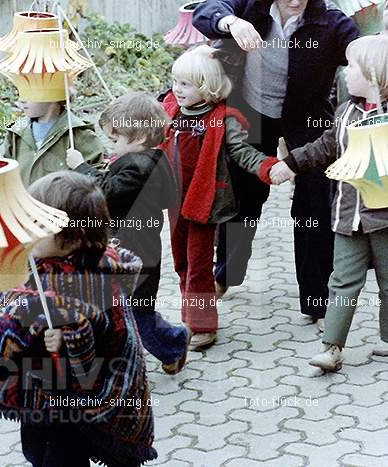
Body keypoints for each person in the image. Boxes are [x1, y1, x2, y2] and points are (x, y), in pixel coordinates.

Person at [0, 171, 156, 467]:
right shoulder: (33, 267)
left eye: (38, 224)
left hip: (78, 403)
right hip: (42, 391)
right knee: (35, 450)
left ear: (73, 238)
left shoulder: (99, 277)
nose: (27, 230)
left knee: (61, 457)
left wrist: (73, 336)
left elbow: (113, 335)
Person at [193, 0, 360, 328]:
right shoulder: (250, 7)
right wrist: (232, 23)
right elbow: (204, 11)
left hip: (306, 118)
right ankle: (226, 273)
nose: (294, 1)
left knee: (315, 201)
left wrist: (369, 50)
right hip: (252, 113)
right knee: (244, 196)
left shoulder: (329, 22)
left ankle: (318, 301)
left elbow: (358, 49)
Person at [271, 34, 388, 371]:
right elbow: (324, 146)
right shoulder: (345, 111)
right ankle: (332, 347)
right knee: (341, 281)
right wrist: (289, 164)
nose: (345, 71)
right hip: (347, 216)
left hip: (384, 219)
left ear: (375, 76)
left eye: (353, 67)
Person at [162, 45, 279, 350]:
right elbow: (150, 140)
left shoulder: (223, 118)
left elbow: (243, 153)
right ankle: (189, 316)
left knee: (200, 264)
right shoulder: (171, 109)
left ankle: (203, 326)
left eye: (186, 84)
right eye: (176, 81)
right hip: (174, 202)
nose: (177, 88)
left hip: (204, 204)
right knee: (180, 262)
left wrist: (269, 167)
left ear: (207, 87)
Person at [66, 91, 190, 373]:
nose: (111, 146)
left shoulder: (137, 165)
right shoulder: (154, 159)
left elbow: (105, 193)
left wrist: (82, 167)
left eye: (115, 140)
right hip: (137, 251)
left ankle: (174, 343)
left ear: (138, 138)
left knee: (137, 315)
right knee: (122, 310)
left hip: (135, 257)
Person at [3, 99, 105, 186]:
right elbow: (3, 172)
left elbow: (99, 185)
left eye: (30, 94)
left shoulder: (80, 135)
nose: (22, 100)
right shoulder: (15, 133)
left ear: (53, 98)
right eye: (21, 92)